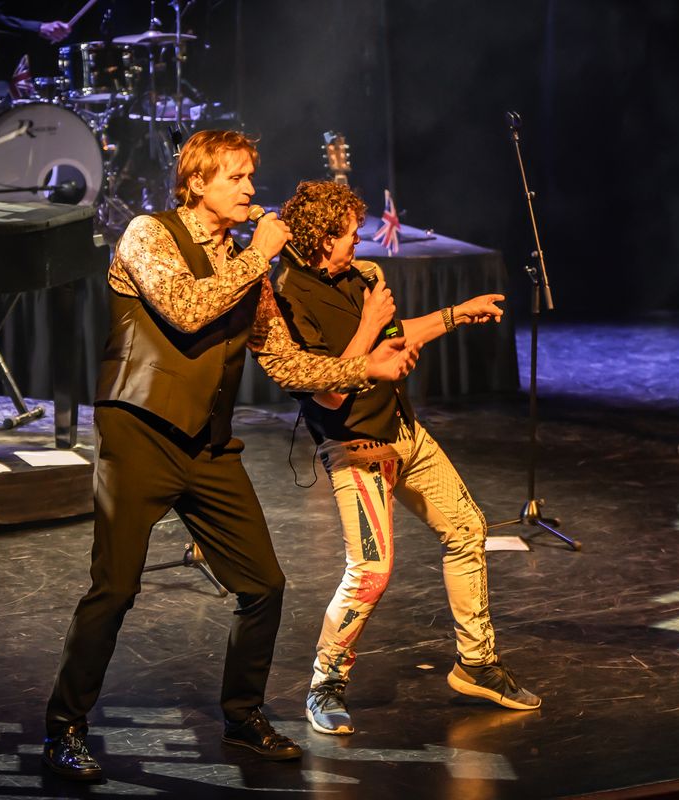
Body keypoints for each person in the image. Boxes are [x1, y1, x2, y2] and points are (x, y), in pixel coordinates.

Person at [41, 131, 418, 781]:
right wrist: (258, 256)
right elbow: (187, 310)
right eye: (236, 177)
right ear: (196, 184)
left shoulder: (248, 264)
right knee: (116, 588)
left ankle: (243, 718)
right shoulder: (149, 235)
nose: (250, 188)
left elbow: (284, 360)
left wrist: (364, 367)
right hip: (139, 432)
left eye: (250, 176)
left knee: (263, 585)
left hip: (208, 446)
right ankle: (64, 727)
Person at [274, 181, 541, 736]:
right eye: (350, 235)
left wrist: (456, 313)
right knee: (371, 571)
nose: (359, 242)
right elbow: (329, 391)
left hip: (402, 430)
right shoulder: (290, 296)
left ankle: (476, 665)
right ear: (323, 238)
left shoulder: (359, 276)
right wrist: (372, 329)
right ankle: (325, 682)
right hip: (356, 447)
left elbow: (396, 335)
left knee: (467, 528)